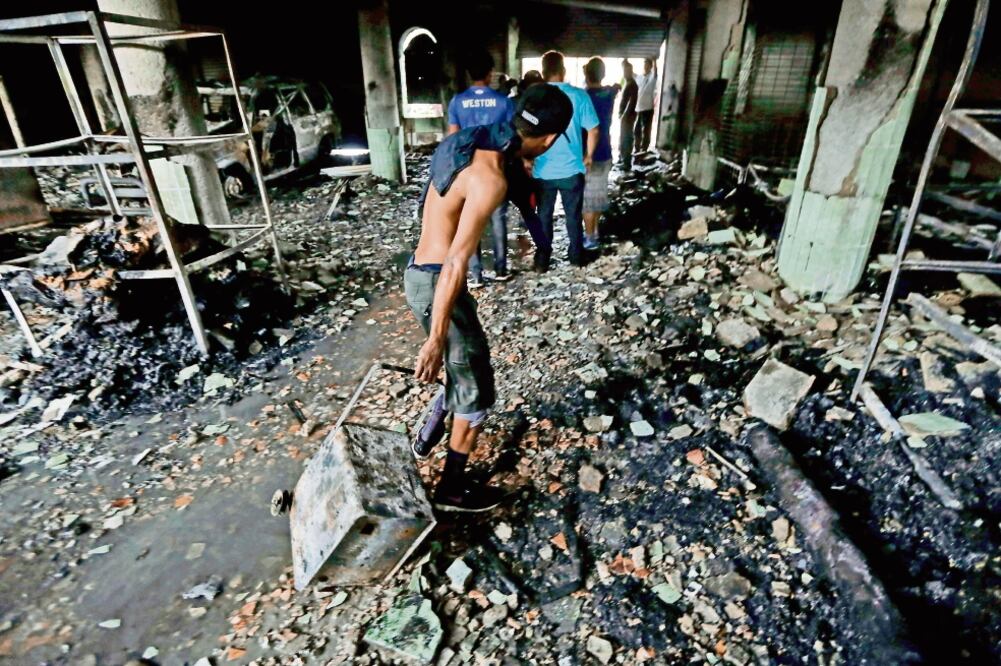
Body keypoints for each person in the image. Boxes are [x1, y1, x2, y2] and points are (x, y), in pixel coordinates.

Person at [408, 84, 572, 512]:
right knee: (476, 388)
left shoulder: (471, 140)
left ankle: (426, 440)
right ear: (552, 139)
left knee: (463, 366)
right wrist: (435, 337)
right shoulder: (491, 178)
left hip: (421, 273)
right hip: (438, 282)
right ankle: (451, 489)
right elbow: (457, 261)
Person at [446, 49, 516, 286]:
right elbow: (511, 138)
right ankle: (500, 268)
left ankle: (475, 274)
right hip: (494, 168)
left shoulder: (457, 102)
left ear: (468, 74)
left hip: (467, 169)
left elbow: (453, 140)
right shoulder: (504, 103)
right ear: (490, 73)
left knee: (470, 218)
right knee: (498, 217)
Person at [533, 50, 599, 269]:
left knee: (543, 216)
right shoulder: (579, 95)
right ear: (563, 71)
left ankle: (543, 260)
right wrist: (588, 156)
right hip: (572, 169)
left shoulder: (535, 96)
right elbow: (594, 129)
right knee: (573, 216)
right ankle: (576, 257)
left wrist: (527, 158)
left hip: (543, 171)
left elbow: (524, 131)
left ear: (543, 73)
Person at [583, 57, 617, 249]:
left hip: (588, 153)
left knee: (587, 199)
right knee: (599, 194)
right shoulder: (609, 94)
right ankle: (594, 230)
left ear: (586, 76)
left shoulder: (583, 97)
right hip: (606, 151)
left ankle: (590, 238)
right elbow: (614, 87)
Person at [618, 61, 638, 171]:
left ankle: (626, 162)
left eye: (626, 71)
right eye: (624, 70)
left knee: (626, 138)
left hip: (628, 117)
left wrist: (625, 115)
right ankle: (623, 159)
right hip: (625, 116)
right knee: (623, 138)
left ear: (630, 71)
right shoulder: (627, 82)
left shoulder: (632, 84)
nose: (625, 73)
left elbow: (631, 101)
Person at [634, 57, 657, 153]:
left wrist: (655, 61)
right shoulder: (640, 77)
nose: (645, 66)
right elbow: (632, 74)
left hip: (647, 109)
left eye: (647, 64)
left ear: (650, 66)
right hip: (638, 108)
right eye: (644, 64)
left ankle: (644, 150)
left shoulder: (652, 77)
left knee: (646, 131)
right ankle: (637, 149)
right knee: (637, 130)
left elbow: (655, 72)